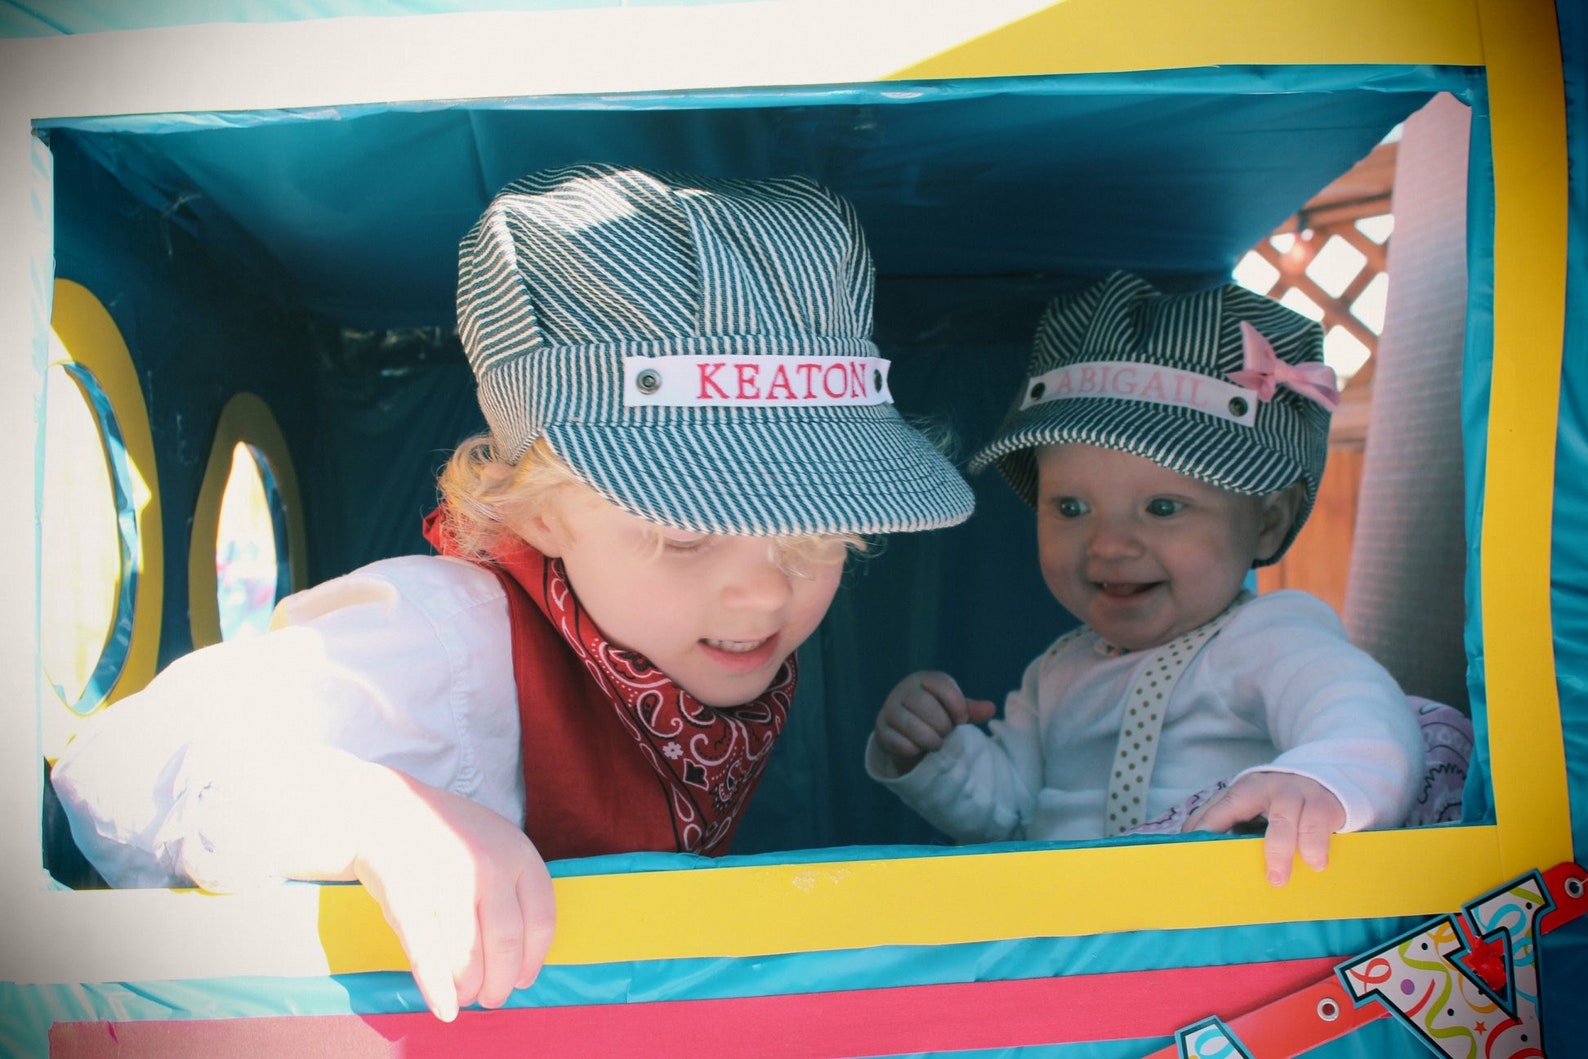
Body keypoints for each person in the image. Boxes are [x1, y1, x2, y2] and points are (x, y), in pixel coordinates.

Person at [51, 163, 975, 1020]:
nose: (762, 594)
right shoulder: (447, 638)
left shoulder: (687, 648)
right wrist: (372, 813)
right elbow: (116, 769)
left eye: (815, 532)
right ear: (538, 514)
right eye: (681, 530)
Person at [866, 270, 1427, 886]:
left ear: (1267, 524)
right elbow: (1011, 815)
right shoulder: (1057, 672)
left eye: (1163, 508)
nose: (1107, 544)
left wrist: (1320, 778)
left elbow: (1360, 711)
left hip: (1220, 939)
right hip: (1079, 944)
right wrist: (933, 753)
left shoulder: (1269, 638)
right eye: (1071, 508)